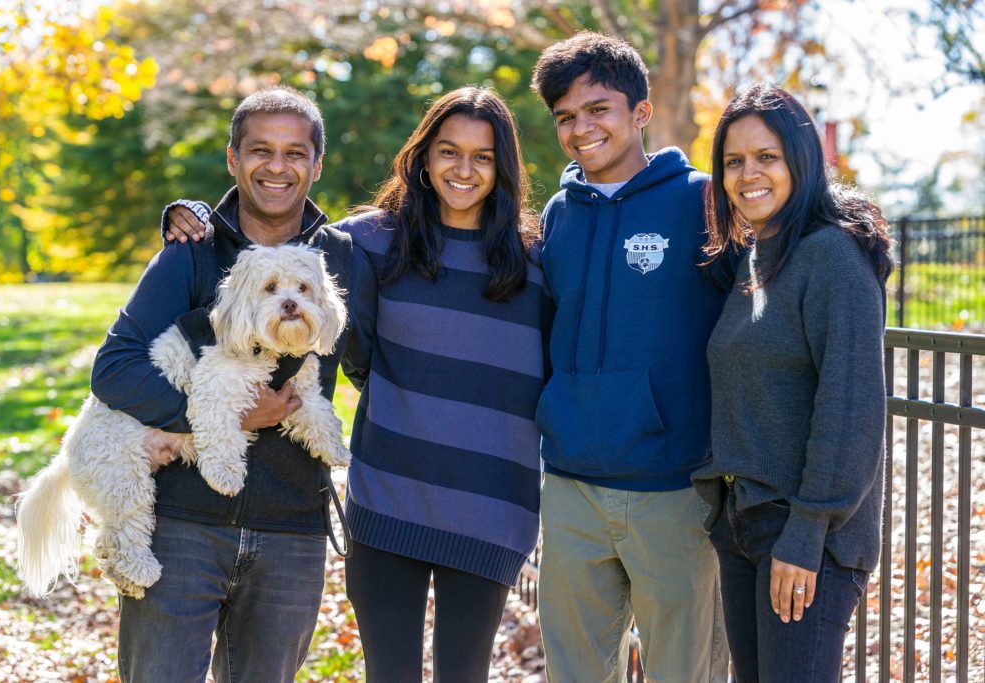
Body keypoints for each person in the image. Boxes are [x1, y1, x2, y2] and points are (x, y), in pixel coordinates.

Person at [164, 86, 551, 682]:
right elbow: (273, 231)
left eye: (483, 156)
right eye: (449, 151)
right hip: (389, 499)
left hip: (492, 506)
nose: (464, 169)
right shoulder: (370, 241)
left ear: (504, 166)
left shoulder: (537, 259)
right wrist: (191, 212)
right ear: (424, 158)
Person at [90, 85, 352, 683]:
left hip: (291, 530)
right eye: (260, 150)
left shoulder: (343, 257)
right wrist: (222, 415)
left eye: (295, 152)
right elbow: (114, 369)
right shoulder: (191, 250)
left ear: (317, 165)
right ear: (234, 159)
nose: (277, 166)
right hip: (181, 525)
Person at [529, 32, 731, 682]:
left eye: (598, 109)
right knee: (574, 671)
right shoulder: (559, 214)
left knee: (684, 670)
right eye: (565, 116)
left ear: (640, 112)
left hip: (672, 487)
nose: (581, 128)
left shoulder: (703, 200)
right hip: (570, 484)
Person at [691, 83, 893, 682]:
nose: (747, 174)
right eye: (733, 161)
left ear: (801, 162)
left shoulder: (833, 257)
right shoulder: (758, 255)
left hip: (806, 535)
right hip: (744, 522)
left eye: (766, 157)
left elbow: (850, 409)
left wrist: (806, 533)